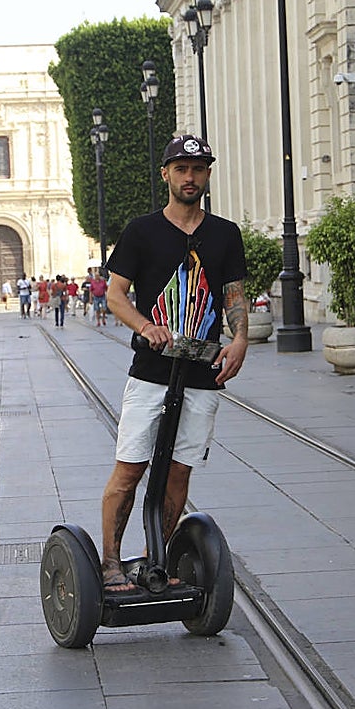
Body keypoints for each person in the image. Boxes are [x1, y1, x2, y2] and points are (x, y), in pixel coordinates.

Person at [98, 133, 248, 594]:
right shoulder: (142, 231)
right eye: (181, 169)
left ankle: (154, 558)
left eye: (198, 169)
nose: (190, 177)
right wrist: (147, 327)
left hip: (203, 370)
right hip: (151, 372)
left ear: (207, 175)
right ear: (166, 174)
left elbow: (234, 295)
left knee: (180, 470)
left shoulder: (224, 234)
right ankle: (109, 563)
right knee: (130, 469)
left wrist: (240, 339)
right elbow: (115, 295)